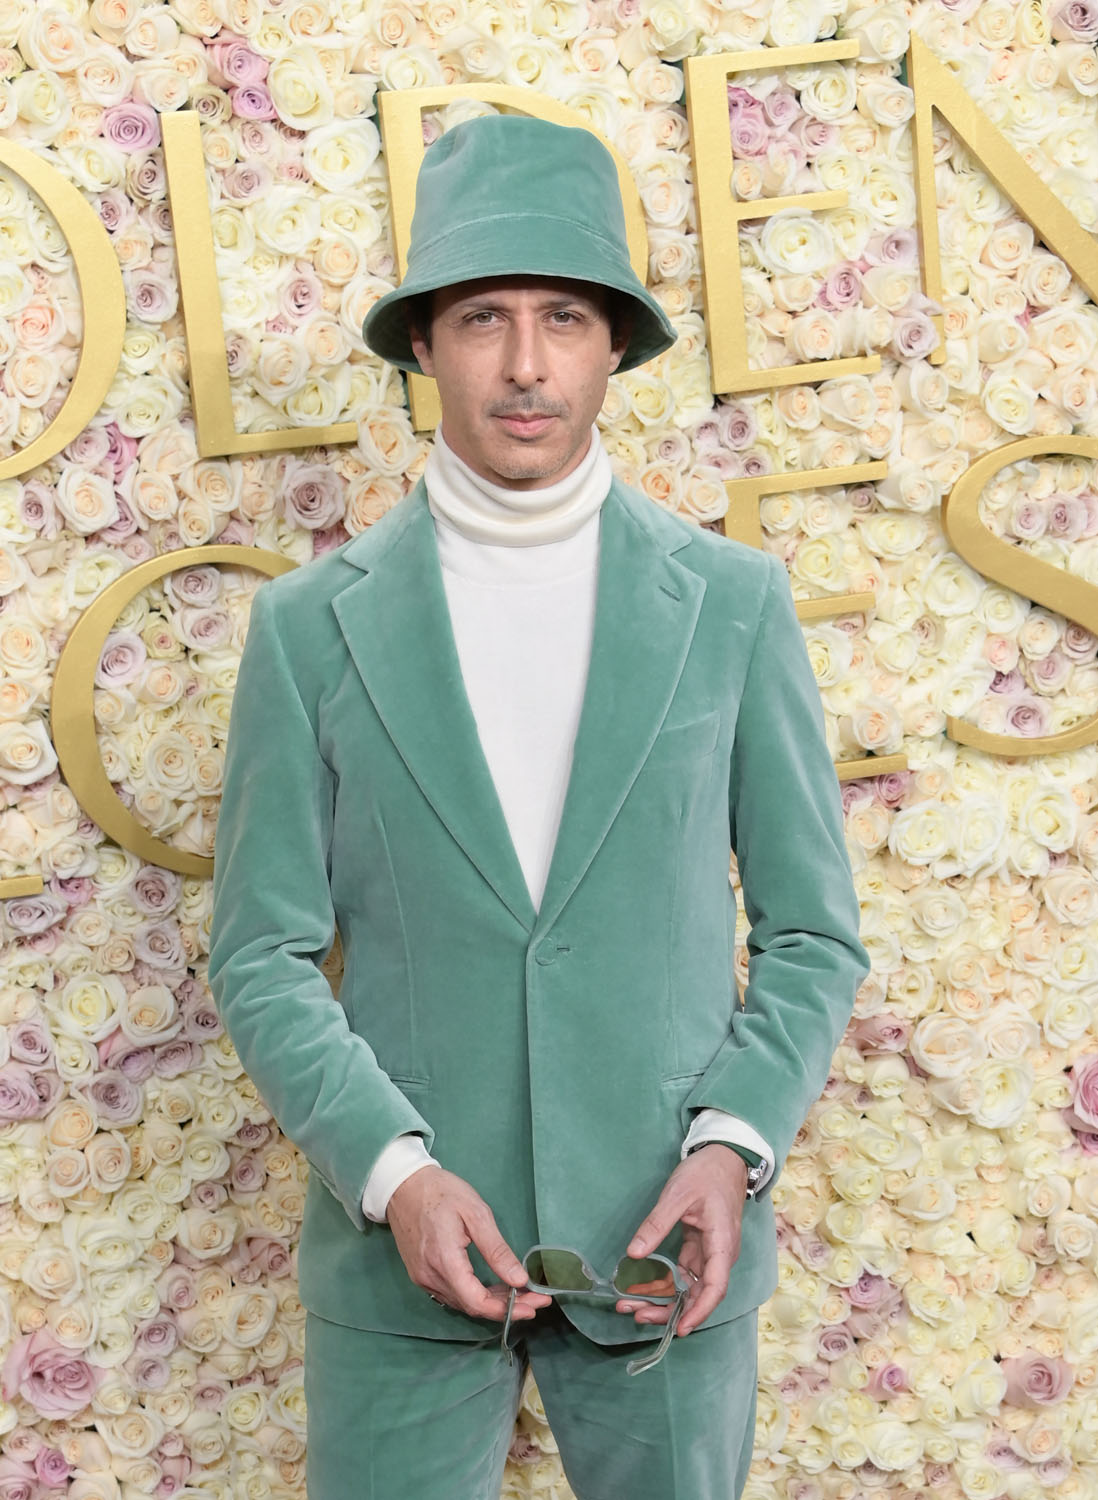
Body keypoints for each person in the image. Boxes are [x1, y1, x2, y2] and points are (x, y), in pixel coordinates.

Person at [208, 114, 869, 1500]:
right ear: (422, 345)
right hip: (396, 1271)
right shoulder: (307, 628)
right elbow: (261, 952)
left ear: (613, 344)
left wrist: (732, 1148)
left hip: (668, 1253)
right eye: (481, 319)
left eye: (563, 317)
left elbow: (812, 932)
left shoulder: (733, 604)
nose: (524, 364)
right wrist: (393, 1174)